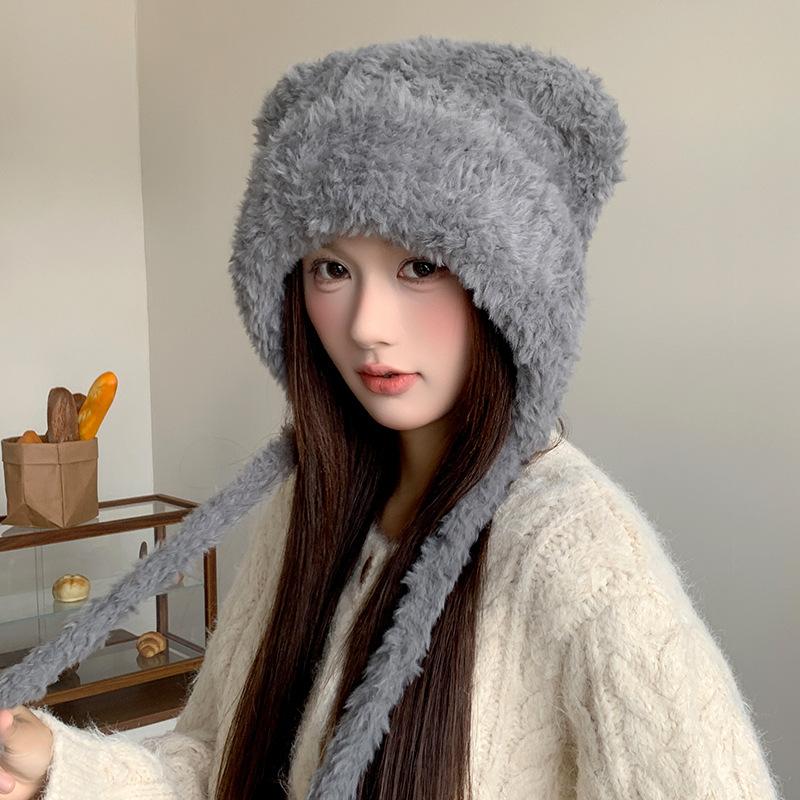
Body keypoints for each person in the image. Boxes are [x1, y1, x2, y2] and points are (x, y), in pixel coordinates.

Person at [0, 36, 784, 800]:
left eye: (420, 266)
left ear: (515, 295)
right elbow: (217, 764)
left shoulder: (575, 545)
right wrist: (58, 770)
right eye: (331, 268)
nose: (367, 325)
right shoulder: (310, 498)